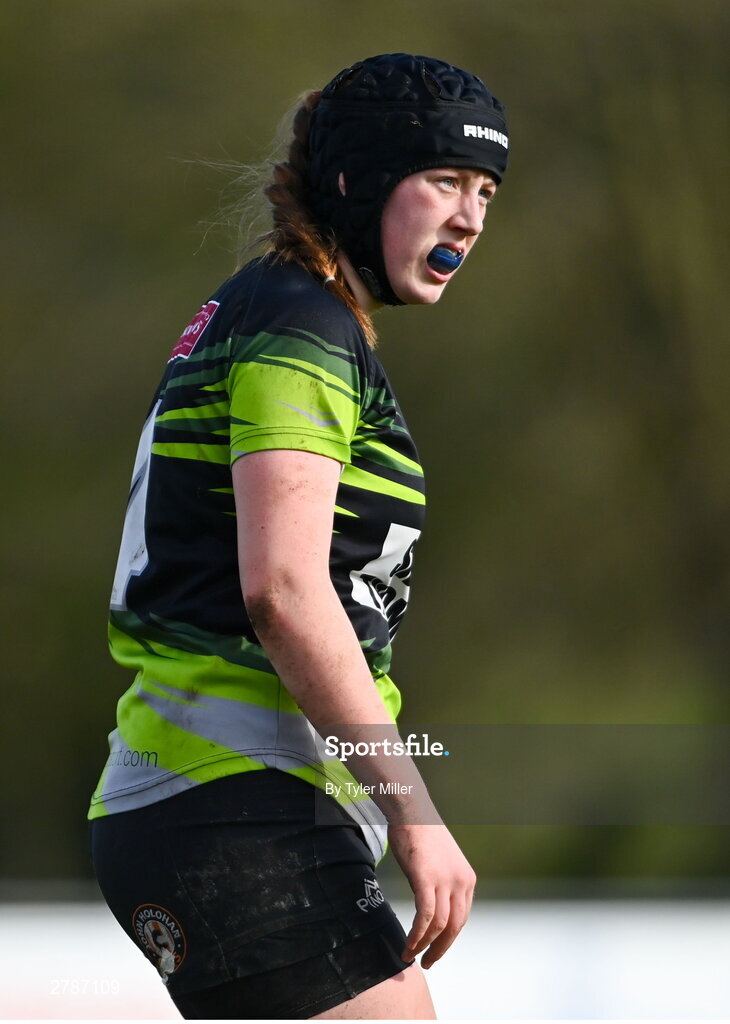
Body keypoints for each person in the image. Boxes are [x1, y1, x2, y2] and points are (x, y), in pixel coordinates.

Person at [89, 52, 508, 1020]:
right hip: (224, 800)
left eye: (485, 189)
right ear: (356, 180)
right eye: (442, 178)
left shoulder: (280, 312)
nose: (470, 216)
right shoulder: (299, 330)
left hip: (224, 800)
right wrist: (419, 814)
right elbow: (283, 589)